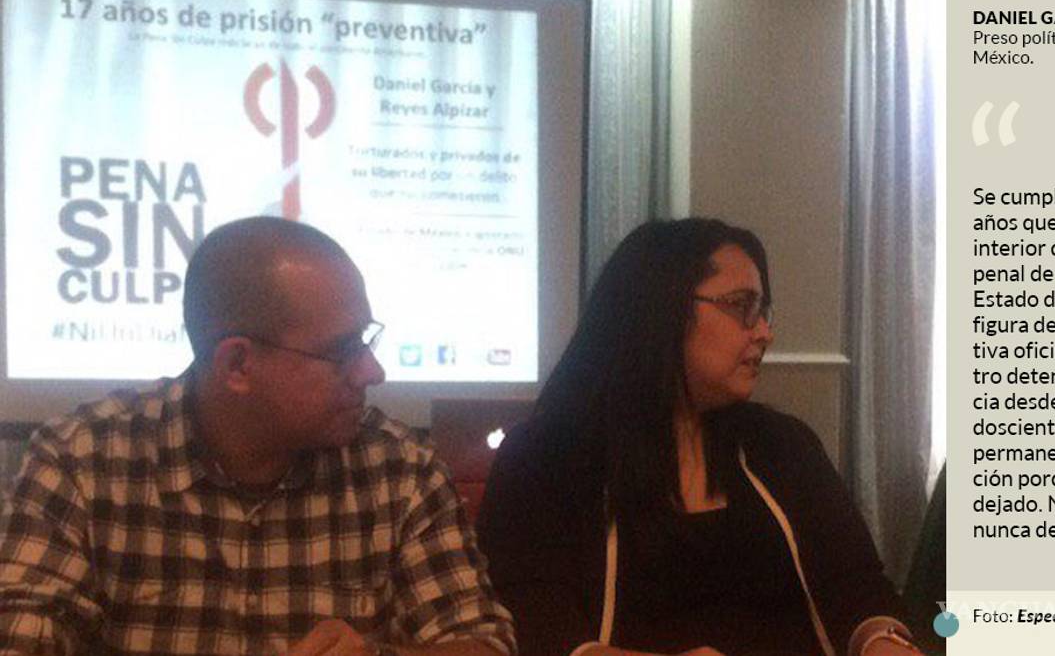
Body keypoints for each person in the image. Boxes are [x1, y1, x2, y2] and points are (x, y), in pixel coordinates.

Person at [0, 217, 515, 655]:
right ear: (238, 365)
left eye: (366, 340)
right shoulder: (81, 461)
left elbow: (481, 641)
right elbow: (20, 637)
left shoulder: (400, 470)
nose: (371, 371)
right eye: (342, 351)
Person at [477, 218, 920, 656]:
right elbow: (532, 620)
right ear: (661, 310)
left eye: (763, 310)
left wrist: (881, 639)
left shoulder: (783, 445)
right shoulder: (545, 457)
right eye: (741, 305)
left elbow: (856, 584)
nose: (764, 332)